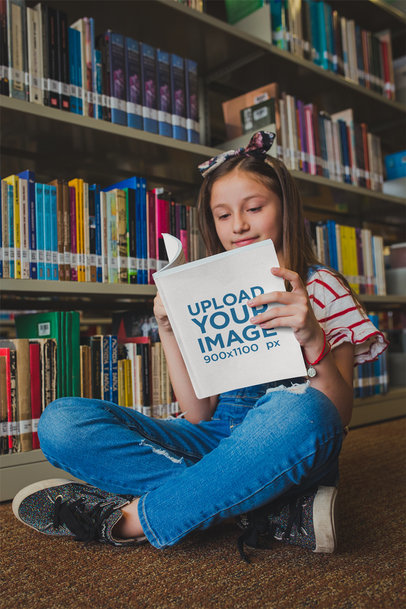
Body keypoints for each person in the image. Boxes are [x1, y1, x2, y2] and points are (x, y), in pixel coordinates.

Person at [12, 131, 387, 562]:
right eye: (222, 215)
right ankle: (265, 508)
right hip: (213, 438)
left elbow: (335, 417)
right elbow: (198, 414)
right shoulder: (207, 286)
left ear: (285, 206)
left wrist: (312, 338)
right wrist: (169, 330)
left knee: (297, 407)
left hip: (289, 443)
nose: (238, 226)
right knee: (63, 421)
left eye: (254, 208)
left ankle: (129, 521)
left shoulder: (323, 287)